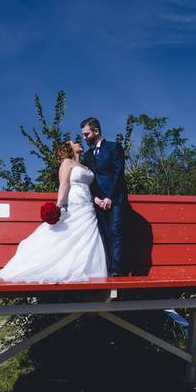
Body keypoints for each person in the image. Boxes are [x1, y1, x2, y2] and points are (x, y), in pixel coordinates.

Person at [0, 140, 108, 282]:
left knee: (88, 237)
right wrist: (58, 208)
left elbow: (89, 188)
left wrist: (97, 200)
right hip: (74, 202)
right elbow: (64, 185)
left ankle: (88, 271)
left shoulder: (84, 166)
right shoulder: (67, 163)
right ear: (68, 148)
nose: (78, 142)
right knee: (65, 234)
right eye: (74, 142)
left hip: (87, 206)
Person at [80, 117, 127, 276]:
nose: (84, 138)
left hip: (116, 200)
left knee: (116, 232)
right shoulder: (86, 156)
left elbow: (118, 173)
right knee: (104, 235)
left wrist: (109, 198)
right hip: (98, 202)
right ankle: (107, 270)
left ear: (96, 131)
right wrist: (96, 198)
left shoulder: (114, 148)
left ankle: (116, 273)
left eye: (86, 134)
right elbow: (89, 180)